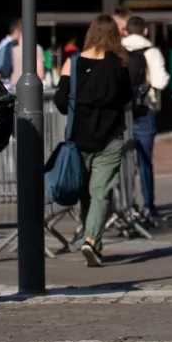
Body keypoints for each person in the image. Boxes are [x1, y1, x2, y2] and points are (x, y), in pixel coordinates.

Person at [54, 14, 132, 267]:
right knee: (101, 192)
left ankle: (91, 239)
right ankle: (91, 240)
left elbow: (61, 103)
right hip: (110, 137)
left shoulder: (72, 63)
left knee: (86, 193)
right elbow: (127, 97)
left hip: (79, 138)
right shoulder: (119, 64)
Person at [122, 16, 170, 221]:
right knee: (144, 161)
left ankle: (125, 205)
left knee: (122, 159)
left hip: (122, 111)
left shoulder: (118, 49)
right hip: (144, 109)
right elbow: (160, 82)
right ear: (144, 31)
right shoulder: (152, 52)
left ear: (126, 31)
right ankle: (148, 205)